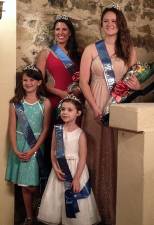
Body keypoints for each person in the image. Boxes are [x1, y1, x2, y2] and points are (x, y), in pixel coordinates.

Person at [79, 5, 141, 225]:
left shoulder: (129, 49)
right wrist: (94, 107)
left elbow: (134, 82)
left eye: (114, 20)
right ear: (102, 23)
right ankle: (90, 212)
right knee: (94, 155)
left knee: (115, 155)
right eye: (106, 20)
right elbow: (82, 82)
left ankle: (114, 209)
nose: (109, 24)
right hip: (94, 104)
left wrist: (135, 85)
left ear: (120, 23)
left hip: (117, 106)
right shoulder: (91, 49)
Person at [37, 94, 101, 225]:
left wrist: (77, 178)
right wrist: (55, 167)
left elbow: (83, 158)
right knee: (58, 198)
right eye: (63, 109)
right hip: (59, 170)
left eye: (69, 110)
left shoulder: (81, 134)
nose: (65, 112)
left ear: (78, 113)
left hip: (75, 171)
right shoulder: (57, 130)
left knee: (76, 202)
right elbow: (53, 151)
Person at [5, 65, 51, 225]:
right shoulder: (15, 103)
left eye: (32, 80)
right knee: (25, 185)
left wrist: (34, 149)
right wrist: (16, 149)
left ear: (39, 82)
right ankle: (30, 217)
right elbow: (11, 128)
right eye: (25, 80)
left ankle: (39, 206)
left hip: (36, 147)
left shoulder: (45, 103)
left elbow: (45, 128)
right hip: (20, 146)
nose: (28, 83)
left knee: (34, 184)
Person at [36, 15, 80, 123]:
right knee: (57, 136)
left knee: (72, 136)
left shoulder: (78, 53)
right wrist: (60, 93)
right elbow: (38, 82)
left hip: (74, 102)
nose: (60, 32)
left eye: (64, 29)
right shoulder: (45, 54)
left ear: (70, 33)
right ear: (54, 32)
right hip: (54, 101)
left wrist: (78, 91)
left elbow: (83, 79)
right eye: (57, 29)